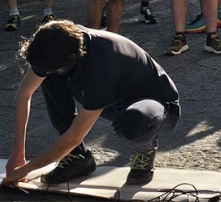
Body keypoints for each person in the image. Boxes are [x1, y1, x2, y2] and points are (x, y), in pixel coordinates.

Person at [3, 20, 180, 187]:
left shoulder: (101, 65)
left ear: (72, 57)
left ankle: (145, 149)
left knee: (132, 122)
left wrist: (25, 170)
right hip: (113, 98)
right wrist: (18, 154)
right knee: (49, 76)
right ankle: (77, 158)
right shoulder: (56, 39)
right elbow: (24, 94)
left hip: (157, 106)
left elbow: (74, 137)